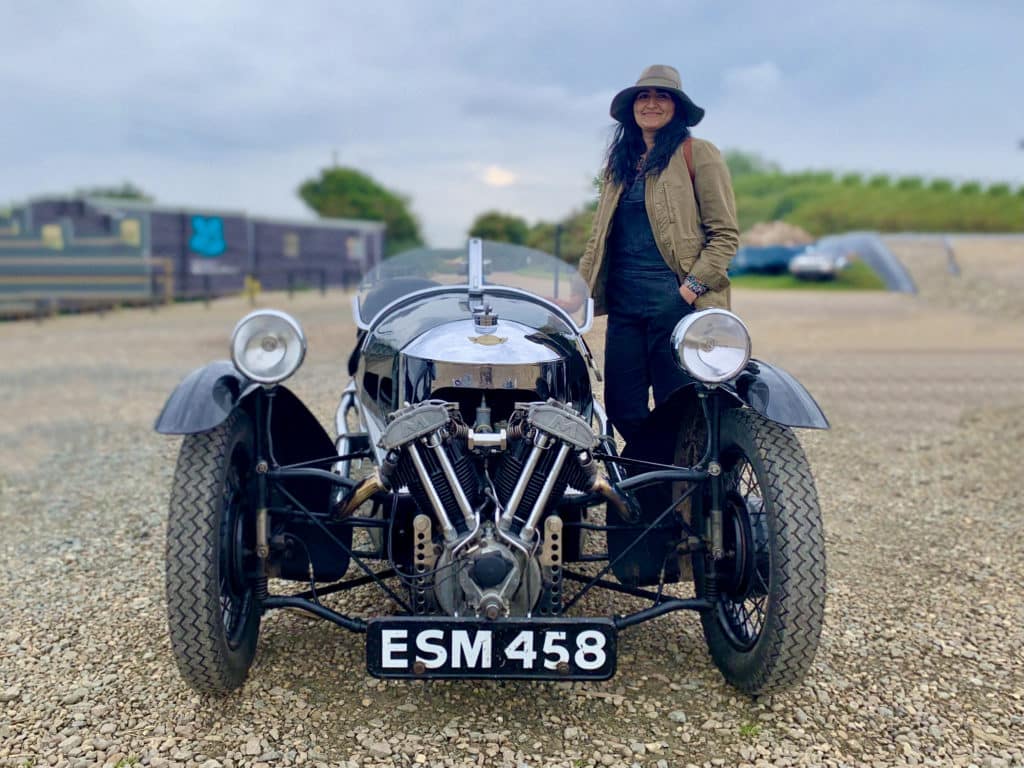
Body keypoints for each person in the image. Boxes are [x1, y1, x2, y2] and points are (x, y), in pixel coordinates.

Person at [577, 64, 739, 445]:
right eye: (644, 97)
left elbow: (725, 235)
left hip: (677, 303)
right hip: (624, 307)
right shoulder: (619, 164)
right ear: (632, 107)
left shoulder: (697, 154)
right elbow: (598, 240)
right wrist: (575, 294)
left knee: (676, 407)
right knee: (622, 407)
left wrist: (688, 291)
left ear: (676, 107)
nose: (651, 104)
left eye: (661, 96)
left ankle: (662, 482)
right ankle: (653, 480)